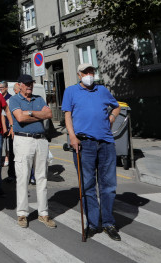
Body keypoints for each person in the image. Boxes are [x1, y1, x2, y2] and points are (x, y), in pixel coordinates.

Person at [62, 63, 121, 241]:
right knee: (87, 186)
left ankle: (108, 223)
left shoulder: (102, 90)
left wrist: (111, 118)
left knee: (108, 185)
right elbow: (67, 115)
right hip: (83, 143)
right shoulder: (71, 91)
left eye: (92, 72)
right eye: (86, 72)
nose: (90, 75)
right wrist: (72, 137)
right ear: (79, 75)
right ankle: (93, 223)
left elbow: (116, 106)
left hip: (105, 143)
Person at [9, 74, 56, 229]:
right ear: (20, 85)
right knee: (23, 177)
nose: (30, 86)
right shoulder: (15, 100)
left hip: (41, 140)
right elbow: (19, 119)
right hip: (24, 140)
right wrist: (37, 115)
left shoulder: (39, 98)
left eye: (31, 83)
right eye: (27, 83)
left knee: (42, 177)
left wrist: (29, 113)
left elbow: (49, 114)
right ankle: (22, 213)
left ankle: (44, 213)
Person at [0, 81, 16, 183]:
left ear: (6, 88)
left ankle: (7, 159)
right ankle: (6, 159)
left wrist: (9, 127)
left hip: (8, 125)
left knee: (9, 145)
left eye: (2, 87)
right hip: (2, 125)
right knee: (4, 144)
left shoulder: (10, 98)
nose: (1, 89)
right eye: (0, 87)